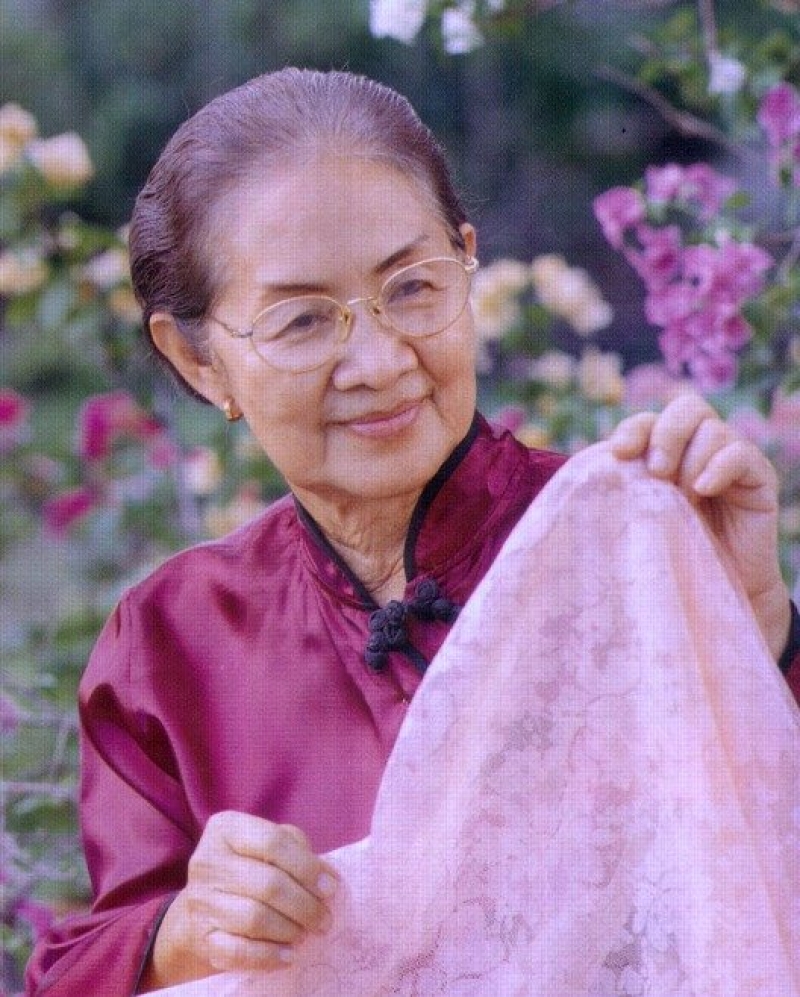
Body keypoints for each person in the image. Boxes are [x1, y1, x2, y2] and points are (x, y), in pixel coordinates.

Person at [24, 68, 800, 996]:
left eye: (413, 287)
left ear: (466, 261)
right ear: (198, 360)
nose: (381, 360)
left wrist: (762, 628)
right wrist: (183, 932)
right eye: (302, 321)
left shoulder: (624, 550)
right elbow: (80, 971)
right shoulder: (170, 644)